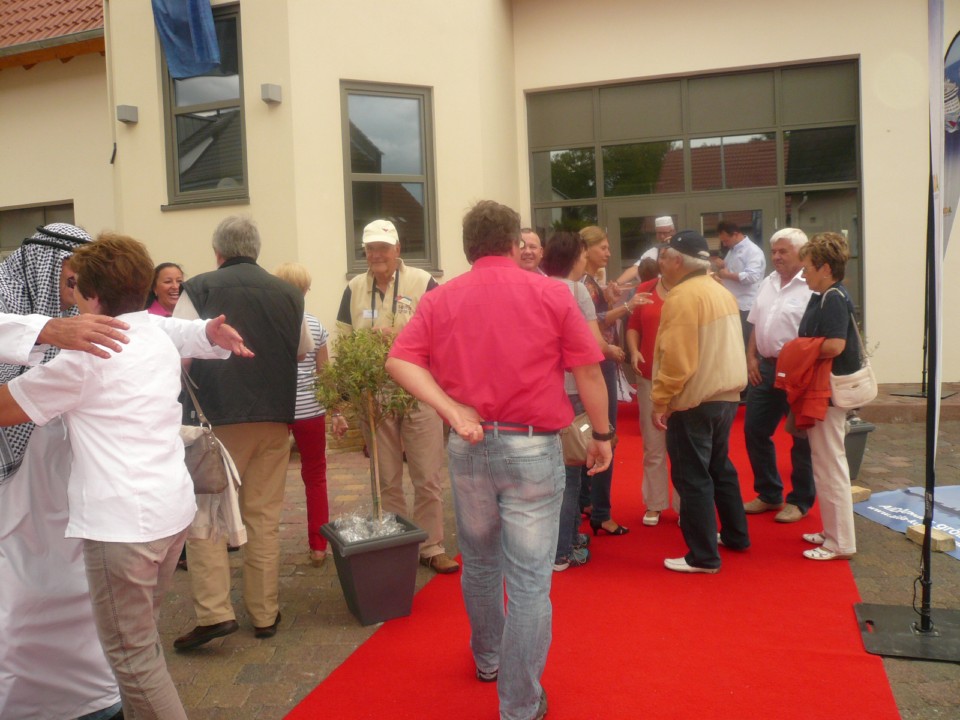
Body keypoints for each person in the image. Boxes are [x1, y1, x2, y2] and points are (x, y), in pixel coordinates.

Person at [0, 224, 246, 720]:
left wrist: (47, 343)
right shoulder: (151, 334)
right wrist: (206, 333)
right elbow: (175, 330)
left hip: (121, 529)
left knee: (133, 662)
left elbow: (7, 409)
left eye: (75, 287)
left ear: (91, 296)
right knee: (140, 642)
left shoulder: (86, 360)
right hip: (169, 515)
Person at [385, 199, 613, 720]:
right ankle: (519, 703)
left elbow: (399, 360)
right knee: (530, 580)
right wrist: (602, 434)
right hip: (531, 447)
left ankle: (488, 658)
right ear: (514, 243)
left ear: (468, 248)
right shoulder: (551, 294)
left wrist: (450, 408)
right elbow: (588, 372)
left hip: (469, 446)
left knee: (481, 562)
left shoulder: (442, 298)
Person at [173, 215, 308, 649]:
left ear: (218, 252)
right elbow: (302, 349)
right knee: (263, 517)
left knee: (207, 515)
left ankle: (215, 613)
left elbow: (177, 352)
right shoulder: (289, 293)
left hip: (216, 422)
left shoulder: (198, 288)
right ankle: (264, 613)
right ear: (256, 250)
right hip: (273, 419)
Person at [335, 219, 458, 574]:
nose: (376, 255)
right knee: (385, 477)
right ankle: (397, 543)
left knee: (427, 475)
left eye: (383, 248)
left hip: (420, 388)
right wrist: (344, 394)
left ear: (398, 250)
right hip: (375, 392)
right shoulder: (354, 288)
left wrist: (401, 336)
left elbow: (445, 331)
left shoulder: (423, 282)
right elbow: (343, 339)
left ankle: (431, 546)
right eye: (370, 249)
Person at [651, 230, 750, 573]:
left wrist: (661, 400)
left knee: (692, 476)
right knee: (719, 467)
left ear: (678, 261)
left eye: (665, 256)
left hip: (695, 398)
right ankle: (736, 535)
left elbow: (676, 359)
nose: (661, 262)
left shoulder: (682, 296)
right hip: (725, 396)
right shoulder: (719, 290)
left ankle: (703, 556)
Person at [541, 231, 617, 570]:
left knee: (558, 471)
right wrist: (611, 348)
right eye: (585, 254)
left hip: (548, 389)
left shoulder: (539, 287)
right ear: (576, 257)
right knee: (571, 472)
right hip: (575, 389)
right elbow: (593, 345)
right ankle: (563, 549)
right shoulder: (576, 291)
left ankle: (568, 537)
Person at [274, 262, 348, 567]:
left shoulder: (268, 323)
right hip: (310, 411)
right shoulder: (315, 325)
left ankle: (263, 546)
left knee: (267, 479)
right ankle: (318, 546)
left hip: (275, 411)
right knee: (316, 477)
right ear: (304, 291)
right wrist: (336, 411)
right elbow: (324, 373)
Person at [792, 231, 860, 561]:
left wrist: (797, 351)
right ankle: (832, 532)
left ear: (825, 268)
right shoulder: (825, 295)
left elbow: (835, 345)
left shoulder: (832, 298)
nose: (803, 274)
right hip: (823, 390)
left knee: (830, 465)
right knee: (825, 463)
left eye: (807, 268)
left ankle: (840, 542)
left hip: (828, 392)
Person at [742, 228, 815, 523]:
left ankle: (800, 501)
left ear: (801, 252)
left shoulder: (811, 286)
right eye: (773, 251)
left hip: (798, 372)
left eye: (783, 251)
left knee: (801, 437)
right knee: (754, 430)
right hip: (766, 369)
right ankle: (769, 493)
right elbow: (756, 323)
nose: (776, 257)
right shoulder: (768, 282)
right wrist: (751, 357)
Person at [579, 225, 647, 536]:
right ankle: (602, 512)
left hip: (597, 360)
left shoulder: (588, 281)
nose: (608, 253)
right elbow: (595, 321)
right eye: (603, 248)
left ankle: (587, 501)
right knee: (605, 433)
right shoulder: (585, 283)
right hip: (601, 361)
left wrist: (610, 298)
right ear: (587, 249)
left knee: (588, 431)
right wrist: (628, 307)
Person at [625, 249, 680, 527]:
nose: (663, 262)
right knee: (653, 444)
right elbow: (633, 326)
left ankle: (685, 504)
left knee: (683, 446)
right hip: (649, 376)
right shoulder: (645, 288)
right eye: (661, 257)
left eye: (668, 258)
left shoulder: (690, 289)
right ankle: (655, 503)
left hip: (683, 379)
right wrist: (634, 350)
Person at [711, 220, 766, 347]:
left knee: (745, 343)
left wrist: (727, 275)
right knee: (736, 343)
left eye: (726, 241)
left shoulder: (753, 251)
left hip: (746, 306)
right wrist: (722, 267)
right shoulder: (733, 250)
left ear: (735, 234)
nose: (724, 244)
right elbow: (730, 271)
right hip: (734, 303)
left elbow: (752, 276)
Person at [615, 215, 675, 285]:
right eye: (659, 233)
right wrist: (616, 283)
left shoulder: (681, 250)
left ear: (673, 232)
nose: (662, 236)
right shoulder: (652, 252)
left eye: (665, 233)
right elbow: (635, 269)